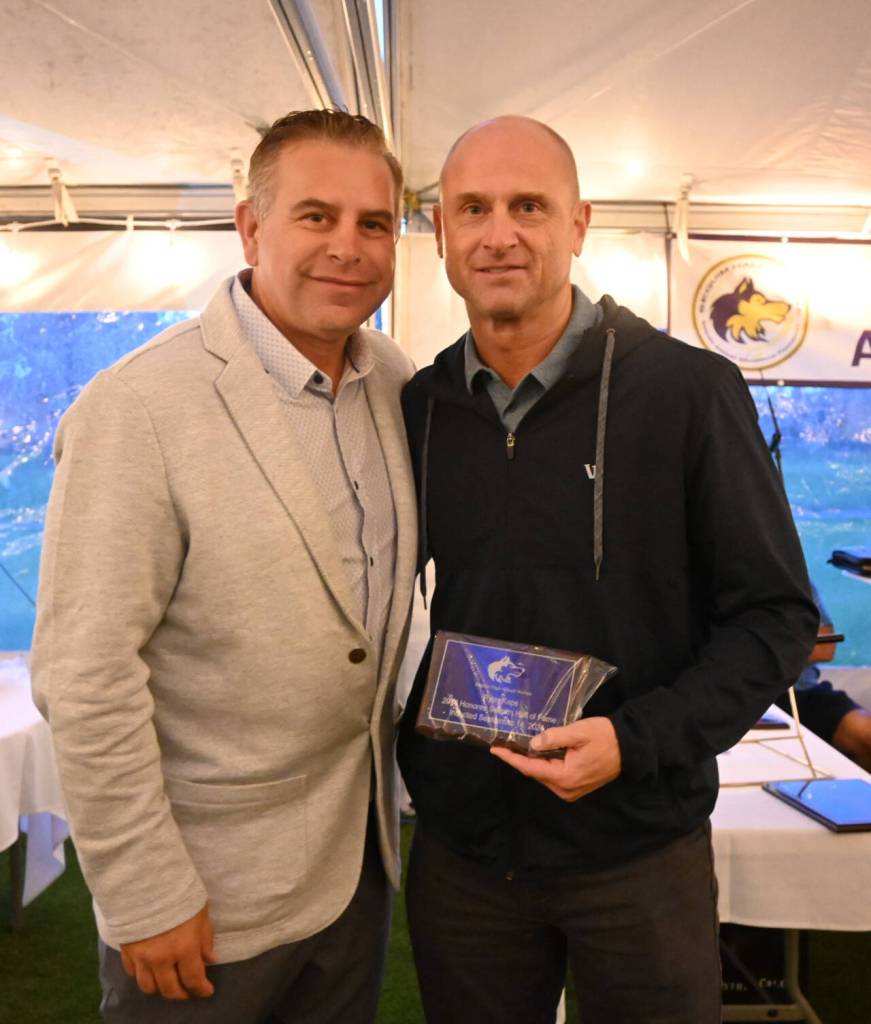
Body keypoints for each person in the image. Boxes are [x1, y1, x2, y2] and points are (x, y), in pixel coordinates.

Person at [398, 116, 818, 1024]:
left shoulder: (688, 394)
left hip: (635, 849)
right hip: (466, 853)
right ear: (439, 232)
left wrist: (637, 742)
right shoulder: (422, 406)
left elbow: (776, 616)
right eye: (471, 207)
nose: (498, 232)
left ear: (578, 224)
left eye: (528, 206)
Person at [31, 109, 417, 1024]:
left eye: (373, 223)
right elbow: (85, 676)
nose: (348, 248)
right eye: (315, 216)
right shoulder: (137, 408)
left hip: (355, 869)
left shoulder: (394, 380)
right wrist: (143, 889)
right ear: (250, 226)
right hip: (204, 892)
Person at [781, 584, 871, 771]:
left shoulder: (792, 576)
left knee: (865, 735)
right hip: (738, 692)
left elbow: (825, 646)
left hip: (800, 693)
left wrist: (760, 650)